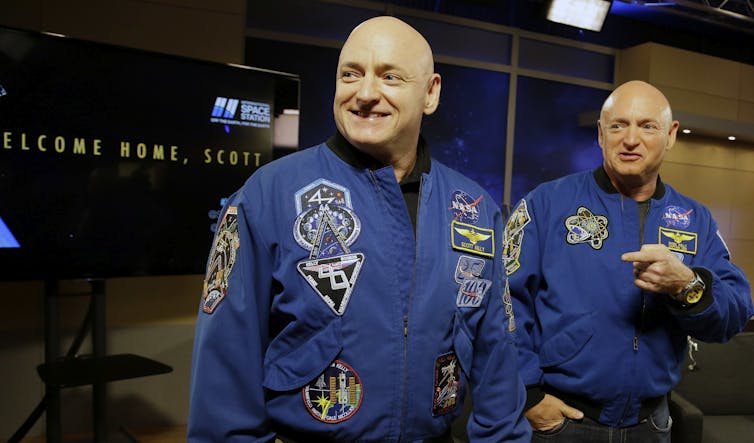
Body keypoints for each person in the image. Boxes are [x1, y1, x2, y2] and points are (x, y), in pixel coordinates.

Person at [188, 16, 530, 442]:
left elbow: (497, 357)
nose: (365, 93)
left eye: (390, 76)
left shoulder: (475, 209)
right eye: (351, 74)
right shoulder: (267, 195)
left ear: (430, 93)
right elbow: (225, 372)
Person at [503, 79, 754, 442]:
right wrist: (526, 395)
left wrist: (687, 286)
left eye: (647, 126)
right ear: (601, 134)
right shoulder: (547, 204)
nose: (631, 139)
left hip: (652, 425)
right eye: (618, 125)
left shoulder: (694, 219)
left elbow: (735, 312)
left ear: (670, 135)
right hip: (562, 423)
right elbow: (502, 302)